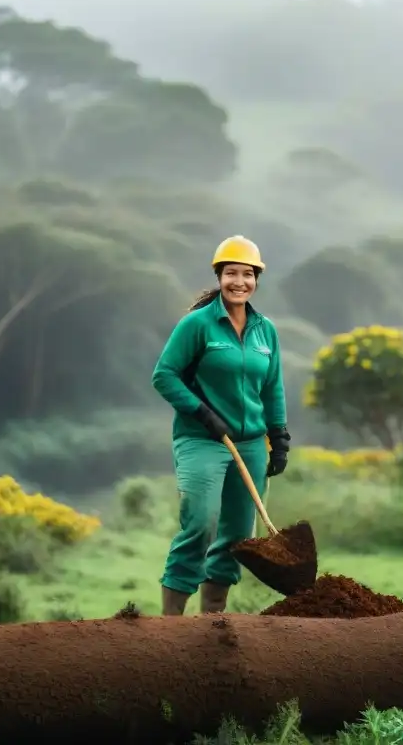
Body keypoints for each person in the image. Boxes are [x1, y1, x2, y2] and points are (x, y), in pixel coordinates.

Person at [151, 235, 291, 615]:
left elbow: (273, 386)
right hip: (202, 440)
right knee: (201, 523)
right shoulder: (197, 325)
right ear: (219, 276)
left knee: (237, 538)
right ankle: (170, 627)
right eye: (231, 273)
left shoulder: (266, 331)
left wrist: (277, 436)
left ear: (257, 279)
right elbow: (164, 375)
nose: (239, 282)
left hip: (249, 443)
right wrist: (201, 412)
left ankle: (212, 624)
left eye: (248, 274)